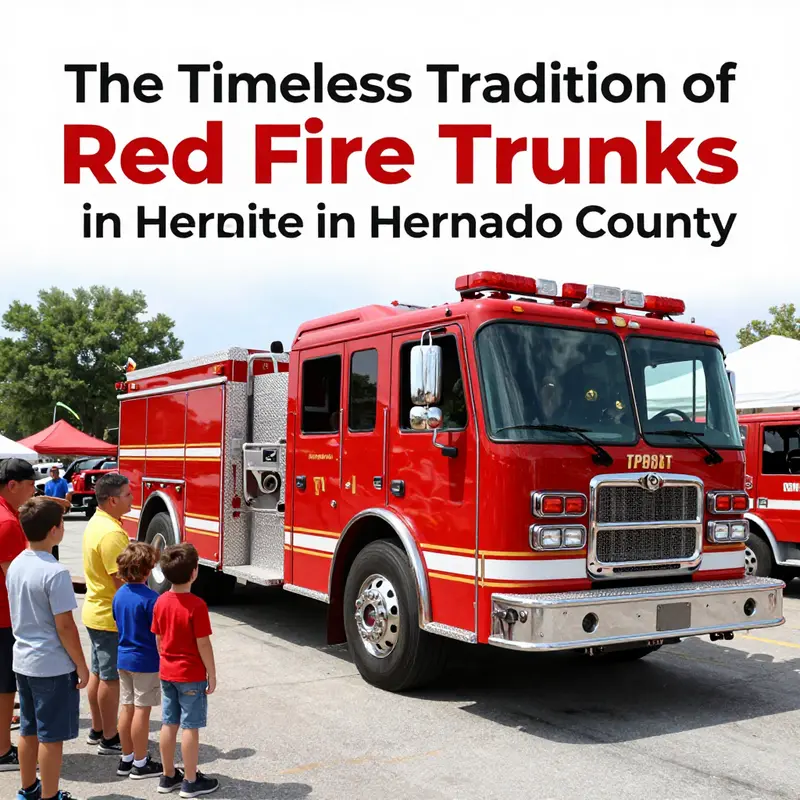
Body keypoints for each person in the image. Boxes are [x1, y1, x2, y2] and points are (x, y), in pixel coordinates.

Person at [8, 496, 89, 800]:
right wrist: (81, 665)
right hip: (52, 665)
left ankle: (28, 789)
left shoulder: (16, 563)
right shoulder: (55, 572)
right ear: (56, 530)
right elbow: (65, 626)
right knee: (51, 738)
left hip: (24, 661)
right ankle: (50, 796)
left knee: (28, 730)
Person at [152, 543, 219, 797]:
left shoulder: (160, 602)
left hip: (167, 672)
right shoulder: (197, 606)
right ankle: (190, 780)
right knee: (190, 727)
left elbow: (158, 638)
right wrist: (211, 673)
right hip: (190, 675)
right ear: (194, 573)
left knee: (169, 723)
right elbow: (203, 642)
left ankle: (168, 775)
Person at [81, 473, 132, 755]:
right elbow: (122, 582)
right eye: (127, 495)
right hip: (108, 615)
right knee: (110, 678)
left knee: (99, 674)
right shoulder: (112, 533)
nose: (132, 498)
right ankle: (110, 738)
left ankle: (98, 728)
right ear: (112, 500)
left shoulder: (98, 521)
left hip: (96, 611)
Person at [111, 542, 163, 781]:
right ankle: (141, 762)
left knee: (127, 707)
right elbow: (159, 633)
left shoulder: (119, 595)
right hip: (145, 661)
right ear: (147, 570)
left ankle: (127, 756)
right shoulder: (152, 599)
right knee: (143, 711)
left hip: (123, 658)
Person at [0, 458, 37, 773]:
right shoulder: (7, 523)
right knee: (4, 686)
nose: (34, 491)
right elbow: (15, 582)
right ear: (12, 485)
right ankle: (2, 751)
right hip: (3, 617)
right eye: (30, 486)